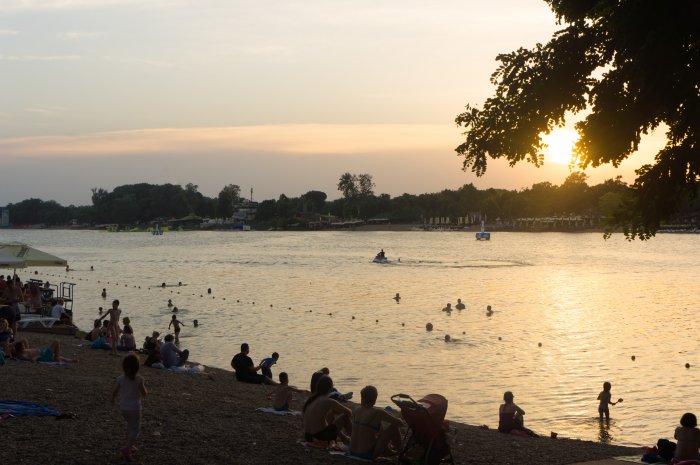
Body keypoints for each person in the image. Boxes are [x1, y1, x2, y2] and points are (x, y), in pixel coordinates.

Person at [349, 385, 403, 460]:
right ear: (375, 399)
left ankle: (388, 451)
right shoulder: (377, 412)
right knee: (394, 427)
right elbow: (400, 424)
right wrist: (399, 418)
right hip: (366, 454)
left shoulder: (355, 410)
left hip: (352, 451)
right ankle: (401, 454)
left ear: (362, 398)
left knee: (377, 425)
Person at [111, 354, 147, 462]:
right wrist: (145, 392)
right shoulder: (139, 379)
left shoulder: (120, 378)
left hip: (123, 407)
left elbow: (114, 392)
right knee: (135, 429)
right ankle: (127, 449)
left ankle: (130, 445)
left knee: (129, 426)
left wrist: (113, 400)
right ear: (137, 367)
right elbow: (144, 393)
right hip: (134, 408)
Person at [303, 375, 352, 445]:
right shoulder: (328, 401)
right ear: (330, 388)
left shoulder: (311, 400)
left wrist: (333, 412)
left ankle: (344, 438)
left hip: (308, 437)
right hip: (320, 437)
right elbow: (349, 412)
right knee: (345, 417)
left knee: (330, 413)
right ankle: (355, 442)